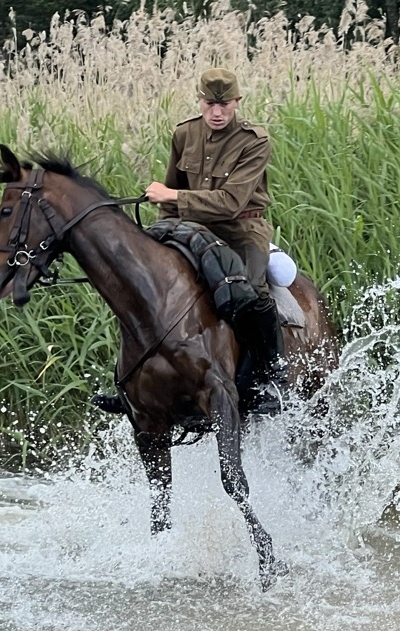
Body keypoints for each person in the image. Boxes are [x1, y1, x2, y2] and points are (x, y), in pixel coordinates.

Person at [92, 68, 287, 416]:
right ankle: (133, 383)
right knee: (142, 282)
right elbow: (170, 195)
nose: (216, 112)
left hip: (241, 229)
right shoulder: (184, 133)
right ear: (199, 101)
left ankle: (270, 377)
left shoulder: (254, 140)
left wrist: (173, 196)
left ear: (237, 102)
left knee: (251, 291)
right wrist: (158, 236)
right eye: (209, 104)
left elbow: (230, 202)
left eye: (224, 104)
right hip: (189, 226)